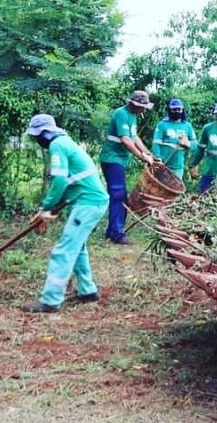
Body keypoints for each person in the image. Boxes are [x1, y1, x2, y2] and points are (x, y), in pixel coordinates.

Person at [21, 114, 109, 313]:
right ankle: (87, 291)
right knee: (77, 247)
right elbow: (67, 184)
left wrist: (45, 207)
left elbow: (59, 181)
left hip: (88, 202)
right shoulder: (66, 142)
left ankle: (51, 300)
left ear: (44, 133)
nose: (37, 141)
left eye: (37, 137)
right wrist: (46, 210)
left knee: (64, 250)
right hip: (88, 201)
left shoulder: (57, 145)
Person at [98, 90, 156, 245]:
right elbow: (126, 140)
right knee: (118, 194)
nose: (144, 110)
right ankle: (117, 234)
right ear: (132, 104)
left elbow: (135, 137)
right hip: (112, 159)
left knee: (121, 195)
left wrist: (148, 153)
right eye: (141, 107)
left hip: (121, 160)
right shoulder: (121, 114)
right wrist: (142, 157)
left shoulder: (133, 116)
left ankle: (113, 231)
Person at [151, 98, 197, 181]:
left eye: (178, 109)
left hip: (178, 167)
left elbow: (195, 145)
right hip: (163, 166)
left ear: (182, 110)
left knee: (174, 191)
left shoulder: (187, 126)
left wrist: (187, 143)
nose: (176, 112)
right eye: (174, 109)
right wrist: (158, 159)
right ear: (169, 110)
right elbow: (156, 143)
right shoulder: (162, 125)